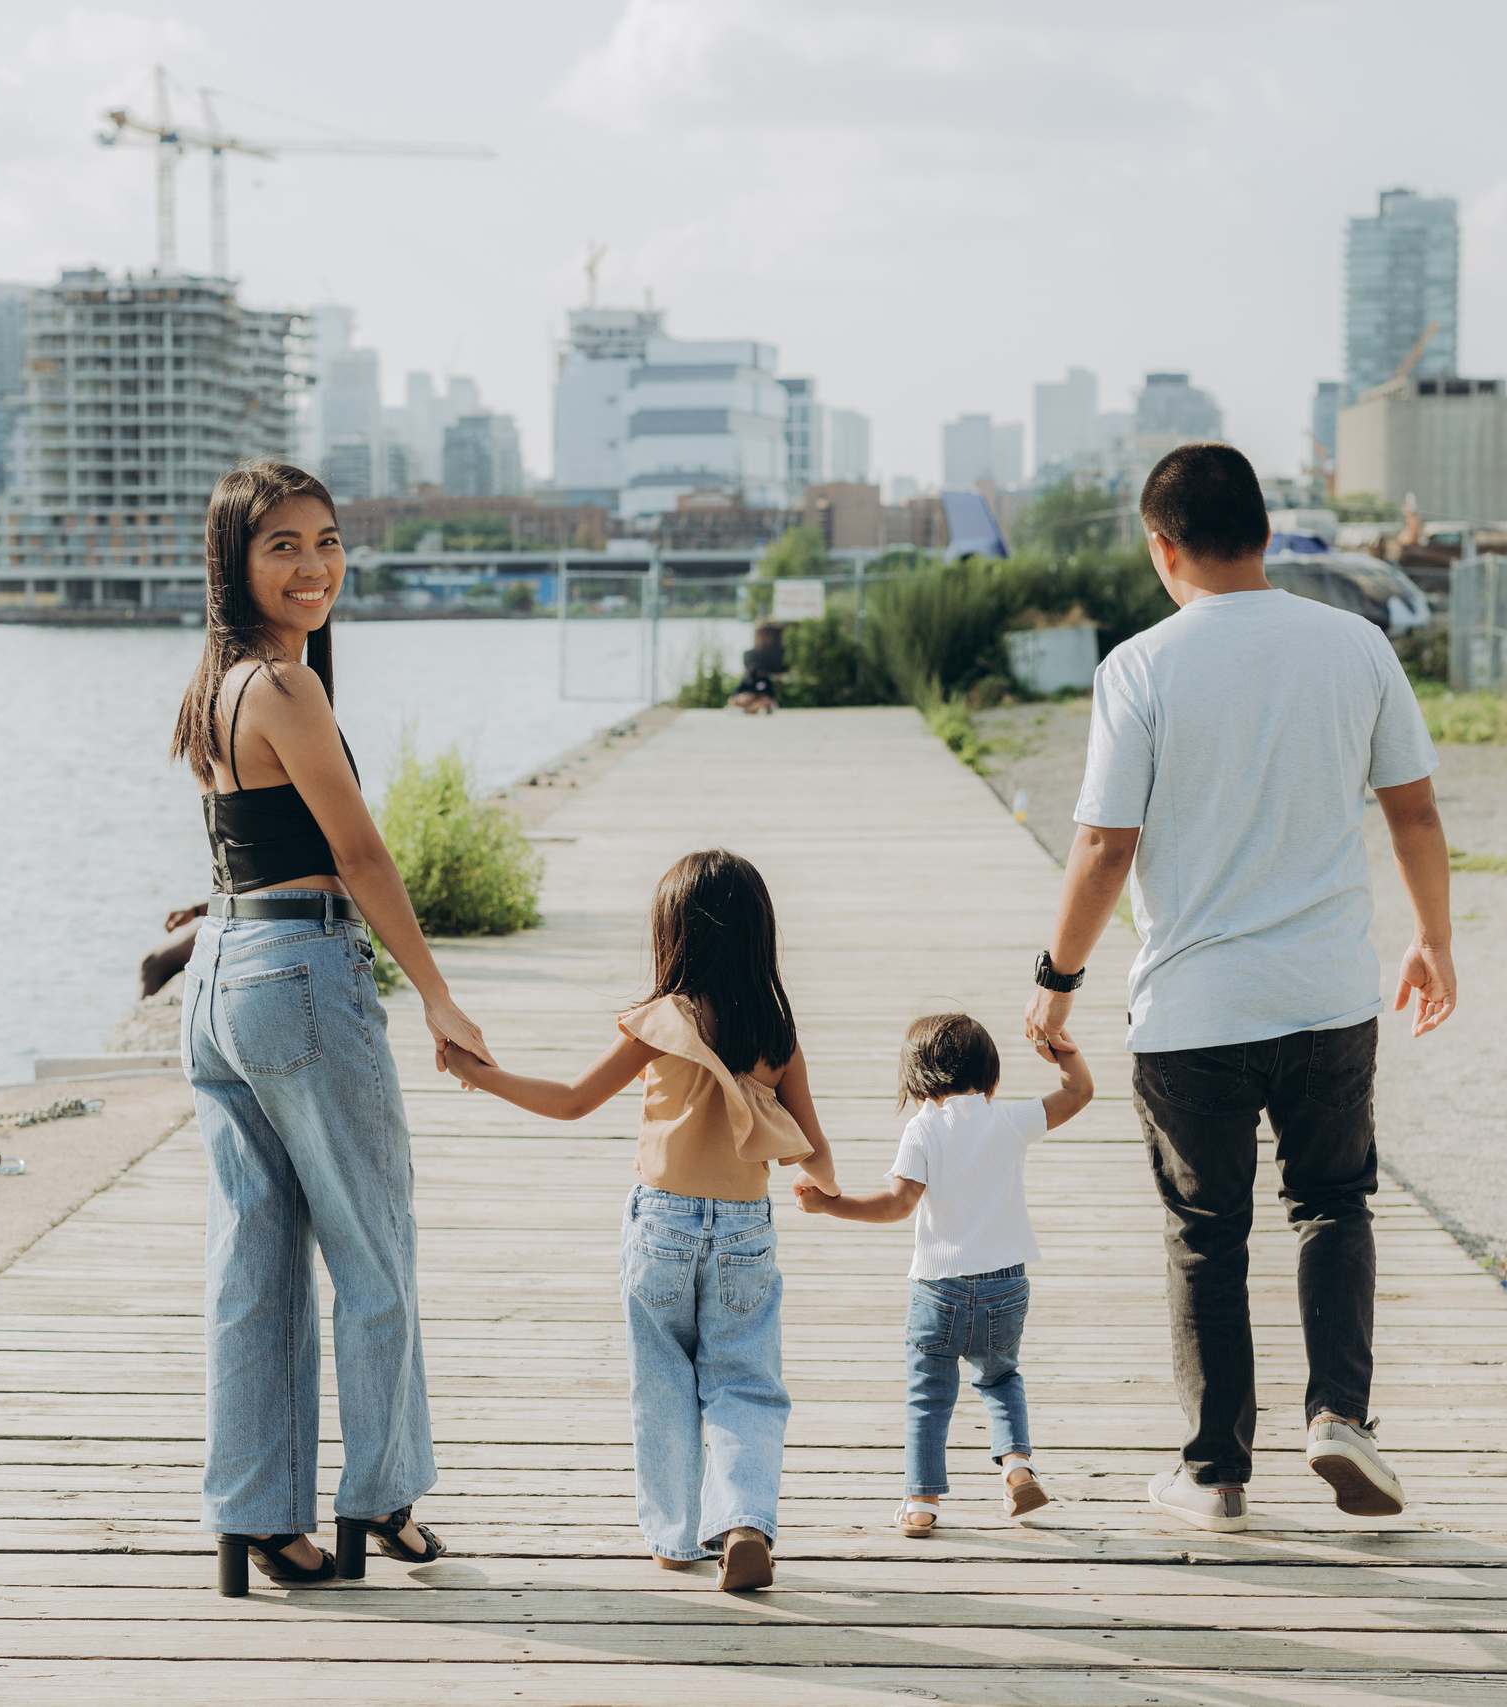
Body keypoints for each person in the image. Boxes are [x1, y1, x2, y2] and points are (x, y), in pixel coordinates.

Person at [1021, 441, 1455, 1536]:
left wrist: (1056, 982)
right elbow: (1413, 811)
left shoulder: (1139, 667)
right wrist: (1433, 941)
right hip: (1326, 997)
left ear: (1160, 548)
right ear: (1263, 532)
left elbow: (1104, 848)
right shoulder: (1354, 647)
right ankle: (1337, 1418)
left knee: (1206, 1234)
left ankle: (1215, 1474)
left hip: (1193, 1012)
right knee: (1333, 1203)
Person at [171, 460, 496, 1594]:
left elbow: (246, 835)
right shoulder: (287, 689)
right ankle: (382, 1500)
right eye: (282, 548)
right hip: (298, 974)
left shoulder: (213, 683)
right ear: (235, 563)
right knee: (372, 1245)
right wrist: (439, 995)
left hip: (220, 973)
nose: (313, 568)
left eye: (327, 542)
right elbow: (357, 855)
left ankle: (254, 1517)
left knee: (253, 1262)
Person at [442, 849, 837, 1591]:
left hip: (662, 1222)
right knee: (745, 1380)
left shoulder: (660, 1021)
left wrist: (482, 1074)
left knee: (661, 1377)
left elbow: (570, 1099)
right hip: (746, 1227)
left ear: (674, 935)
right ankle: (746, 1521)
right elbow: (813, 1151)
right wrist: (826, 1190)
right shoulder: (776, 1033)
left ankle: (674, 1535)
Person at [795, 1013, 1091, 1536]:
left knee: (929, 1395)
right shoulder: (1010, 1120)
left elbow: (896, 1205)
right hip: (1005, 1284)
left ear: (915, 1085)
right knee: (1000, 1377)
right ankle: (1018, 1468)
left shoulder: (923, 1129)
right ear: (992, 1078)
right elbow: (1079, 1092)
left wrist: (829, 1205)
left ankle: (921, 1503)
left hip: (939, 1290)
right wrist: (1062, 1051)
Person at [728, 623, 785, 714]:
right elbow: (737, 691)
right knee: (735, 700)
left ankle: (751, 708)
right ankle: (749, 708)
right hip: (752, 696)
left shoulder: (775, 655)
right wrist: (746, 697)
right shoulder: (749, 657)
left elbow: (769, 694)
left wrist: (757, 696)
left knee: (764, 701)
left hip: (762, 697)